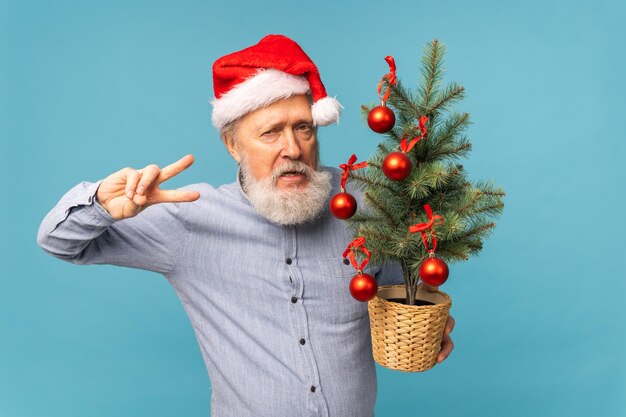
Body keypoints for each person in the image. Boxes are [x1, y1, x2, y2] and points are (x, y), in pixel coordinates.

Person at [37, 34, 454, 417]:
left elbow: (403, 293)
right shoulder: (191, 217)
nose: (292, 148)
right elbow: (59, 242)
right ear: (233, 145)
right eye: (270, 133)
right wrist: (101, 204)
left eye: (303, 128)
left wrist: (427, 325)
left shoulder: (364, 203)